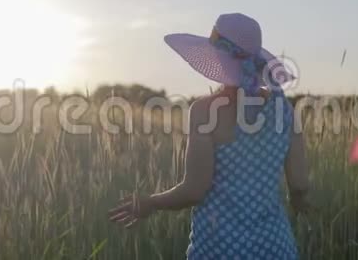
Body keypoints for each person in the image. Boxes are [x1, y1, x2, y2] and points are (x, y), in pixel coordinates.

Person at [108, 13, 311, 259]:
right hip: (276, 247)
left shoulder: (205, 112)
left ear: (217, 58)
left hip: (220, 248)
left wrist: (150, 203)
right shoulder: (285, 110)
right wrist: (299, 202)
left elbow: (195, 190)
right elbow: (299, 183)